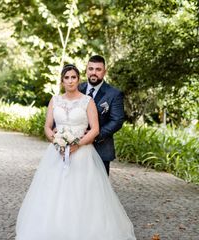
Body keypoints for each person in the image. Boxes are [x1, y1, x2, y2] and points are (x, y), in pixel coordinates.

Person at [15, 64, 136, 240]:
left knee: (82, 193)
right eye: (67, 78)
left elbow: (94, 129)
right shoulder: (55, 100)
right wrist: (55, 141)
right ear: (62, 81)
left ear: (79, 80)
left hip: (82, 154)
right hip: (56, 154)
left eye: (73, 77)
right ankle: (54, 229)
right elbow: (48, 127)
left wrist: (77, 145)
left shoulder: (87, 101)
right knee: (54, 192)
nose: (70, 80)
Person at [79, 55, 125, 175]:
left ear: (104, 72)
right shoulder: (77, 89)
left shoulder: (114, 94)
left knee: (98, 190)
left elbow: (117, 120)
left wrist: (94, 135)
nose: (94, 73)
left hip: (101, 148)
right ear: (86, 70)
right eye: (91, 69)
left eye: (98, 69)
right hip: (75, 148)